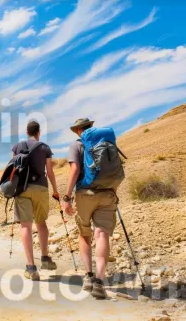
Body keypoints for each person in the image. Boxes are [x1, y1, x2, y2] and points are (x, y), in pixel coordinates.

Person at [62, 118, 118, 299]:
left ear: (78, 130)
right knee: (101, 234)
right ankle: (100, 282)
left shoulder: (75, 146)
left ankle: (88, 276)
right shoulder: (105, 141)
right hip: (108, 192)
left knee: (84, 234)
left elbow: (75, 170)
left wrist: (67, 197)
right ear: (91, 127)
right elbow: (114, 169)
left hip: (85, 193)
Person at [12, 121, 60, 281]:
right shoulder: (45, 147)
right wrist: (55, 190)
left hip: (23, 189)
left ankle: (31, 268)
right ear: (39, 132)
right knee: (41, 222)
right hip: (40, 187)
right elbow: (50, 172)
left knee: (26, 225)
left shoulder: (18, 146)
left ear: (27, 132)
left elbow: (13, 169)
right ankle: (45, 258)